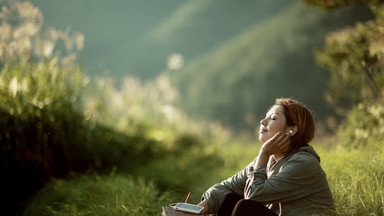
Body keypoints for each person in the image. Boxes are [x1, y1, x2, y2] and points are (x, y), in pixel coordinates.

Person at [197, 98, 335, 216]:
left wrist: (263, 153)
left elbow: (254, 197)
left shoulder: (303, 163)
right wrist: (195, 211)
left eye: (273, 118)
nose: (263, 121)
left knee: (245, 208)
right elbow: (226, 187)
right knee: (229, 200)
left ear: (291, 130)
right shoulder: (269, 160)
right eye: (265, 117)